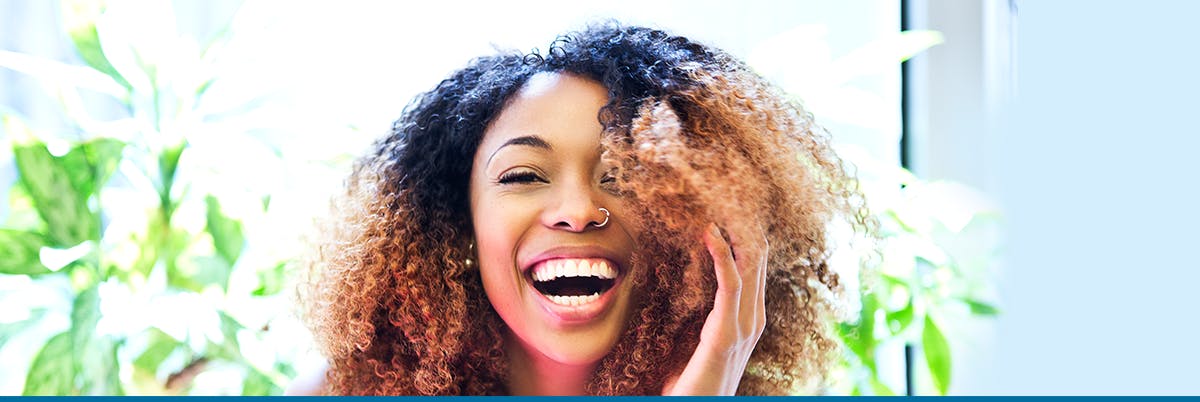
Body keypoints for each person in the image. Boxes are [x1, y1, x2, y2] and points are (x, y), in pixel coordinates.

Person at [291, 23, 869, 396]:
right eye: (522, 175)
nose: (577, 210)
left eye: (621, 176)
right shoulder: (345, 390)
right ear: (455, 229)